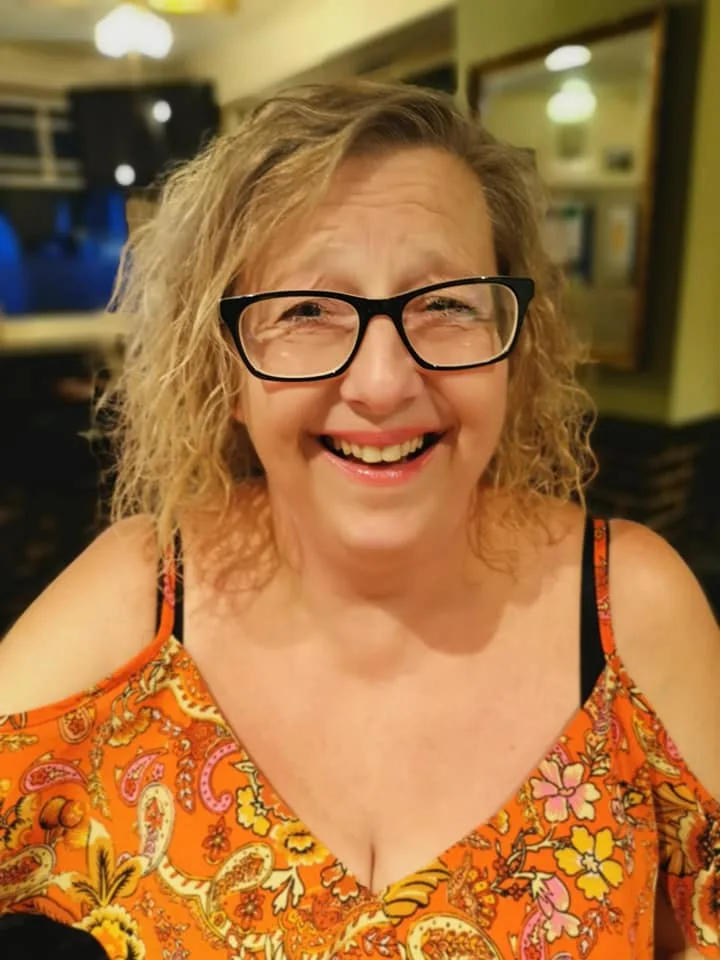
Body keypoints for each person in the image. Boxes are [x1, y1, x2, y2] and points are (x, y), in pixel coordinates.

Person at [0, 80, 717, 960]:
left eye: (446, 303)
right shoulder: (140, 596)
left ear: (514, 353)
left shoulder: (631, 611)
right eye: (306, 310)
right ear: (226, 371)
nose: (381, 384)